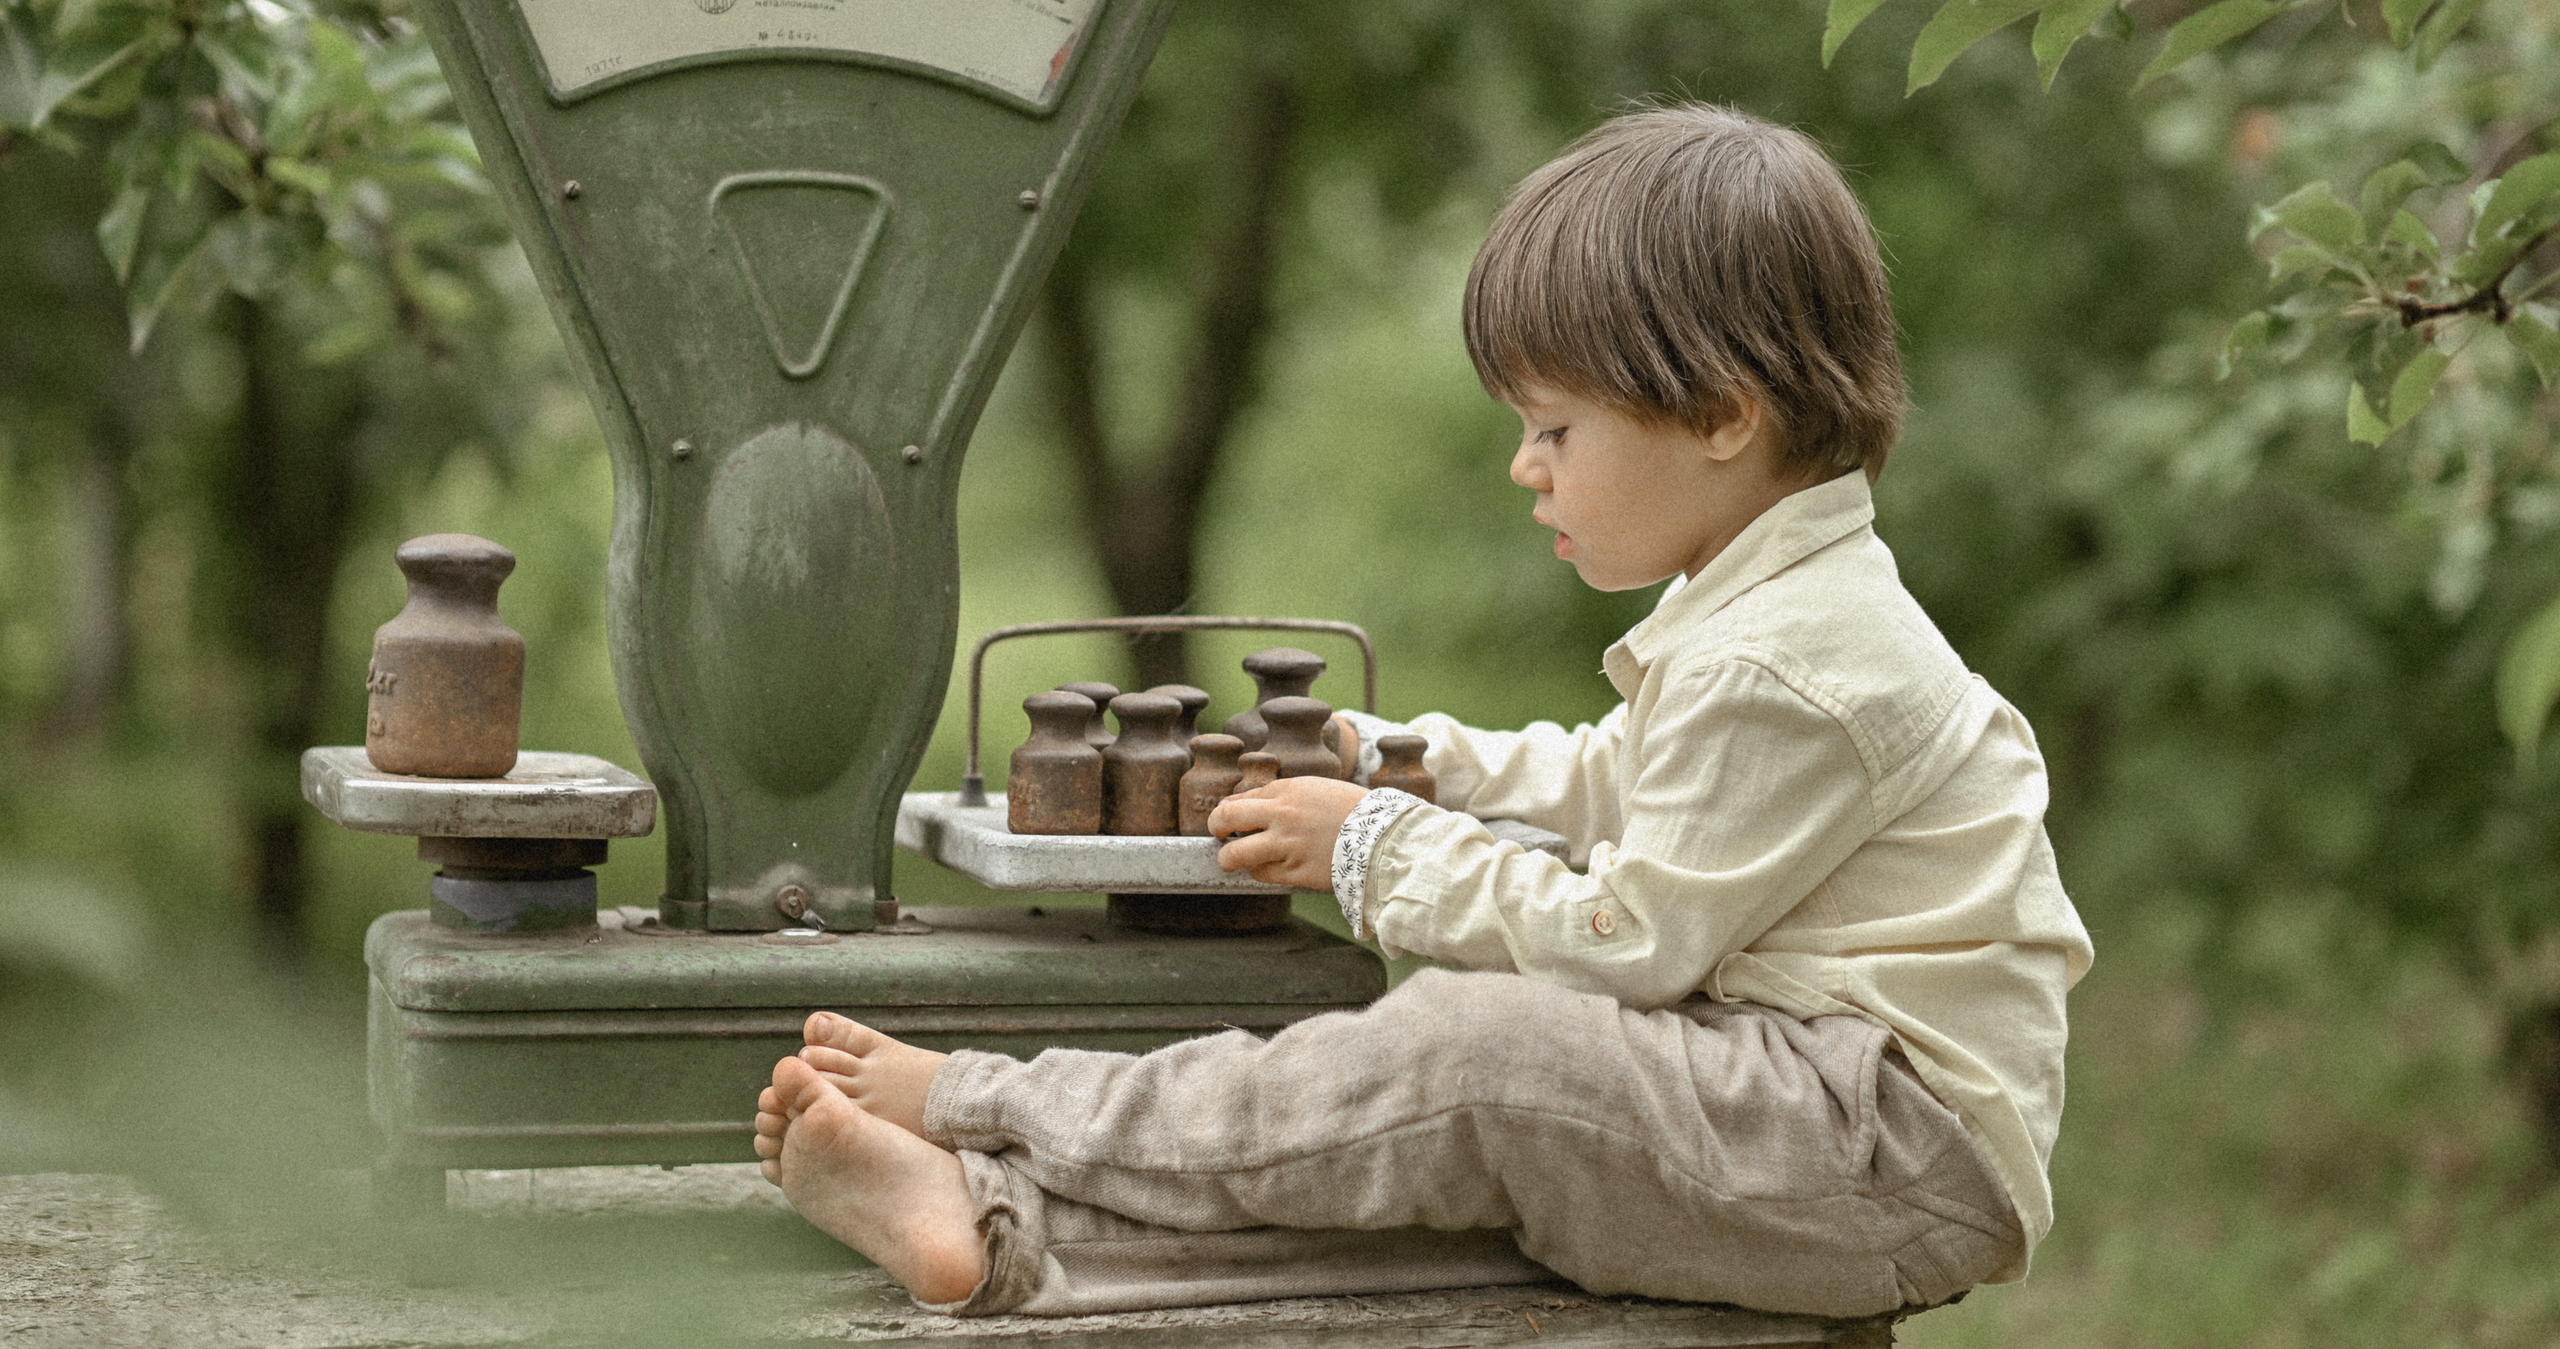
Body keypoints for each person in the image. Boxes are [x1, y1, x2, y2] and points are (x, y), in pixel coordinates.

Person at [752, 103, 2093, 1320]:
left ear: (1722, 415)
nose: (1526, 467)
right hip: (1803, 1123)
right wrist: (1413, 764)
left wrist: (1371, 845)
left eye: (1554, 431)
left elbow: (1626, 943)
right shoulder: (1775, 609)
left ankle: (988, 1104)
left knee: (1477, 1056)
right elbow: (1620, 780)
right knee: (1419, 1160)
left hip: (1876, 1149)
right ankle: (999, 1227)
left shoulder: (1790, 660)